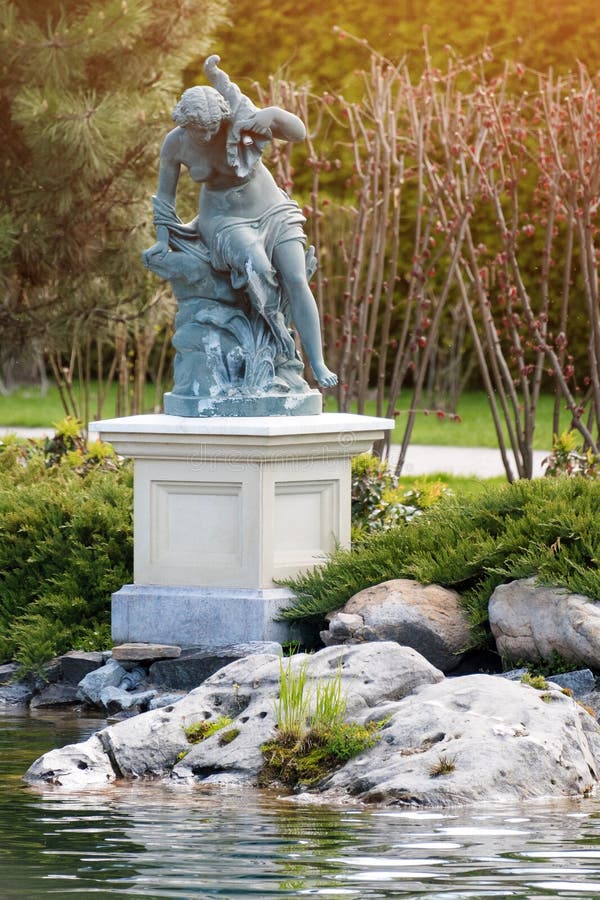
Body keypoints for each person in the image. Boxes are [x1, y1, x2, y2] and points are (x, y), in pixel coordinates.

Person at [144, 54, 337, 388]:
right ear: (184, 122)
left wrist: (272, 115)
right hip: (224, 220)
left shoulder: (238, 119)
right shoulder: (175, 143)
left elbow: (299, 133)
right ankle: (276, 339)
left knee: (295, 276)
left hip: (271, 208)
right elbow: (165, 197)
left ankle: (316, 362)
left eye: (211, 128)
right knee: (257, 270)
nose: (205, 135)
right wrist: (163, 239)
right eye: (197, 130)